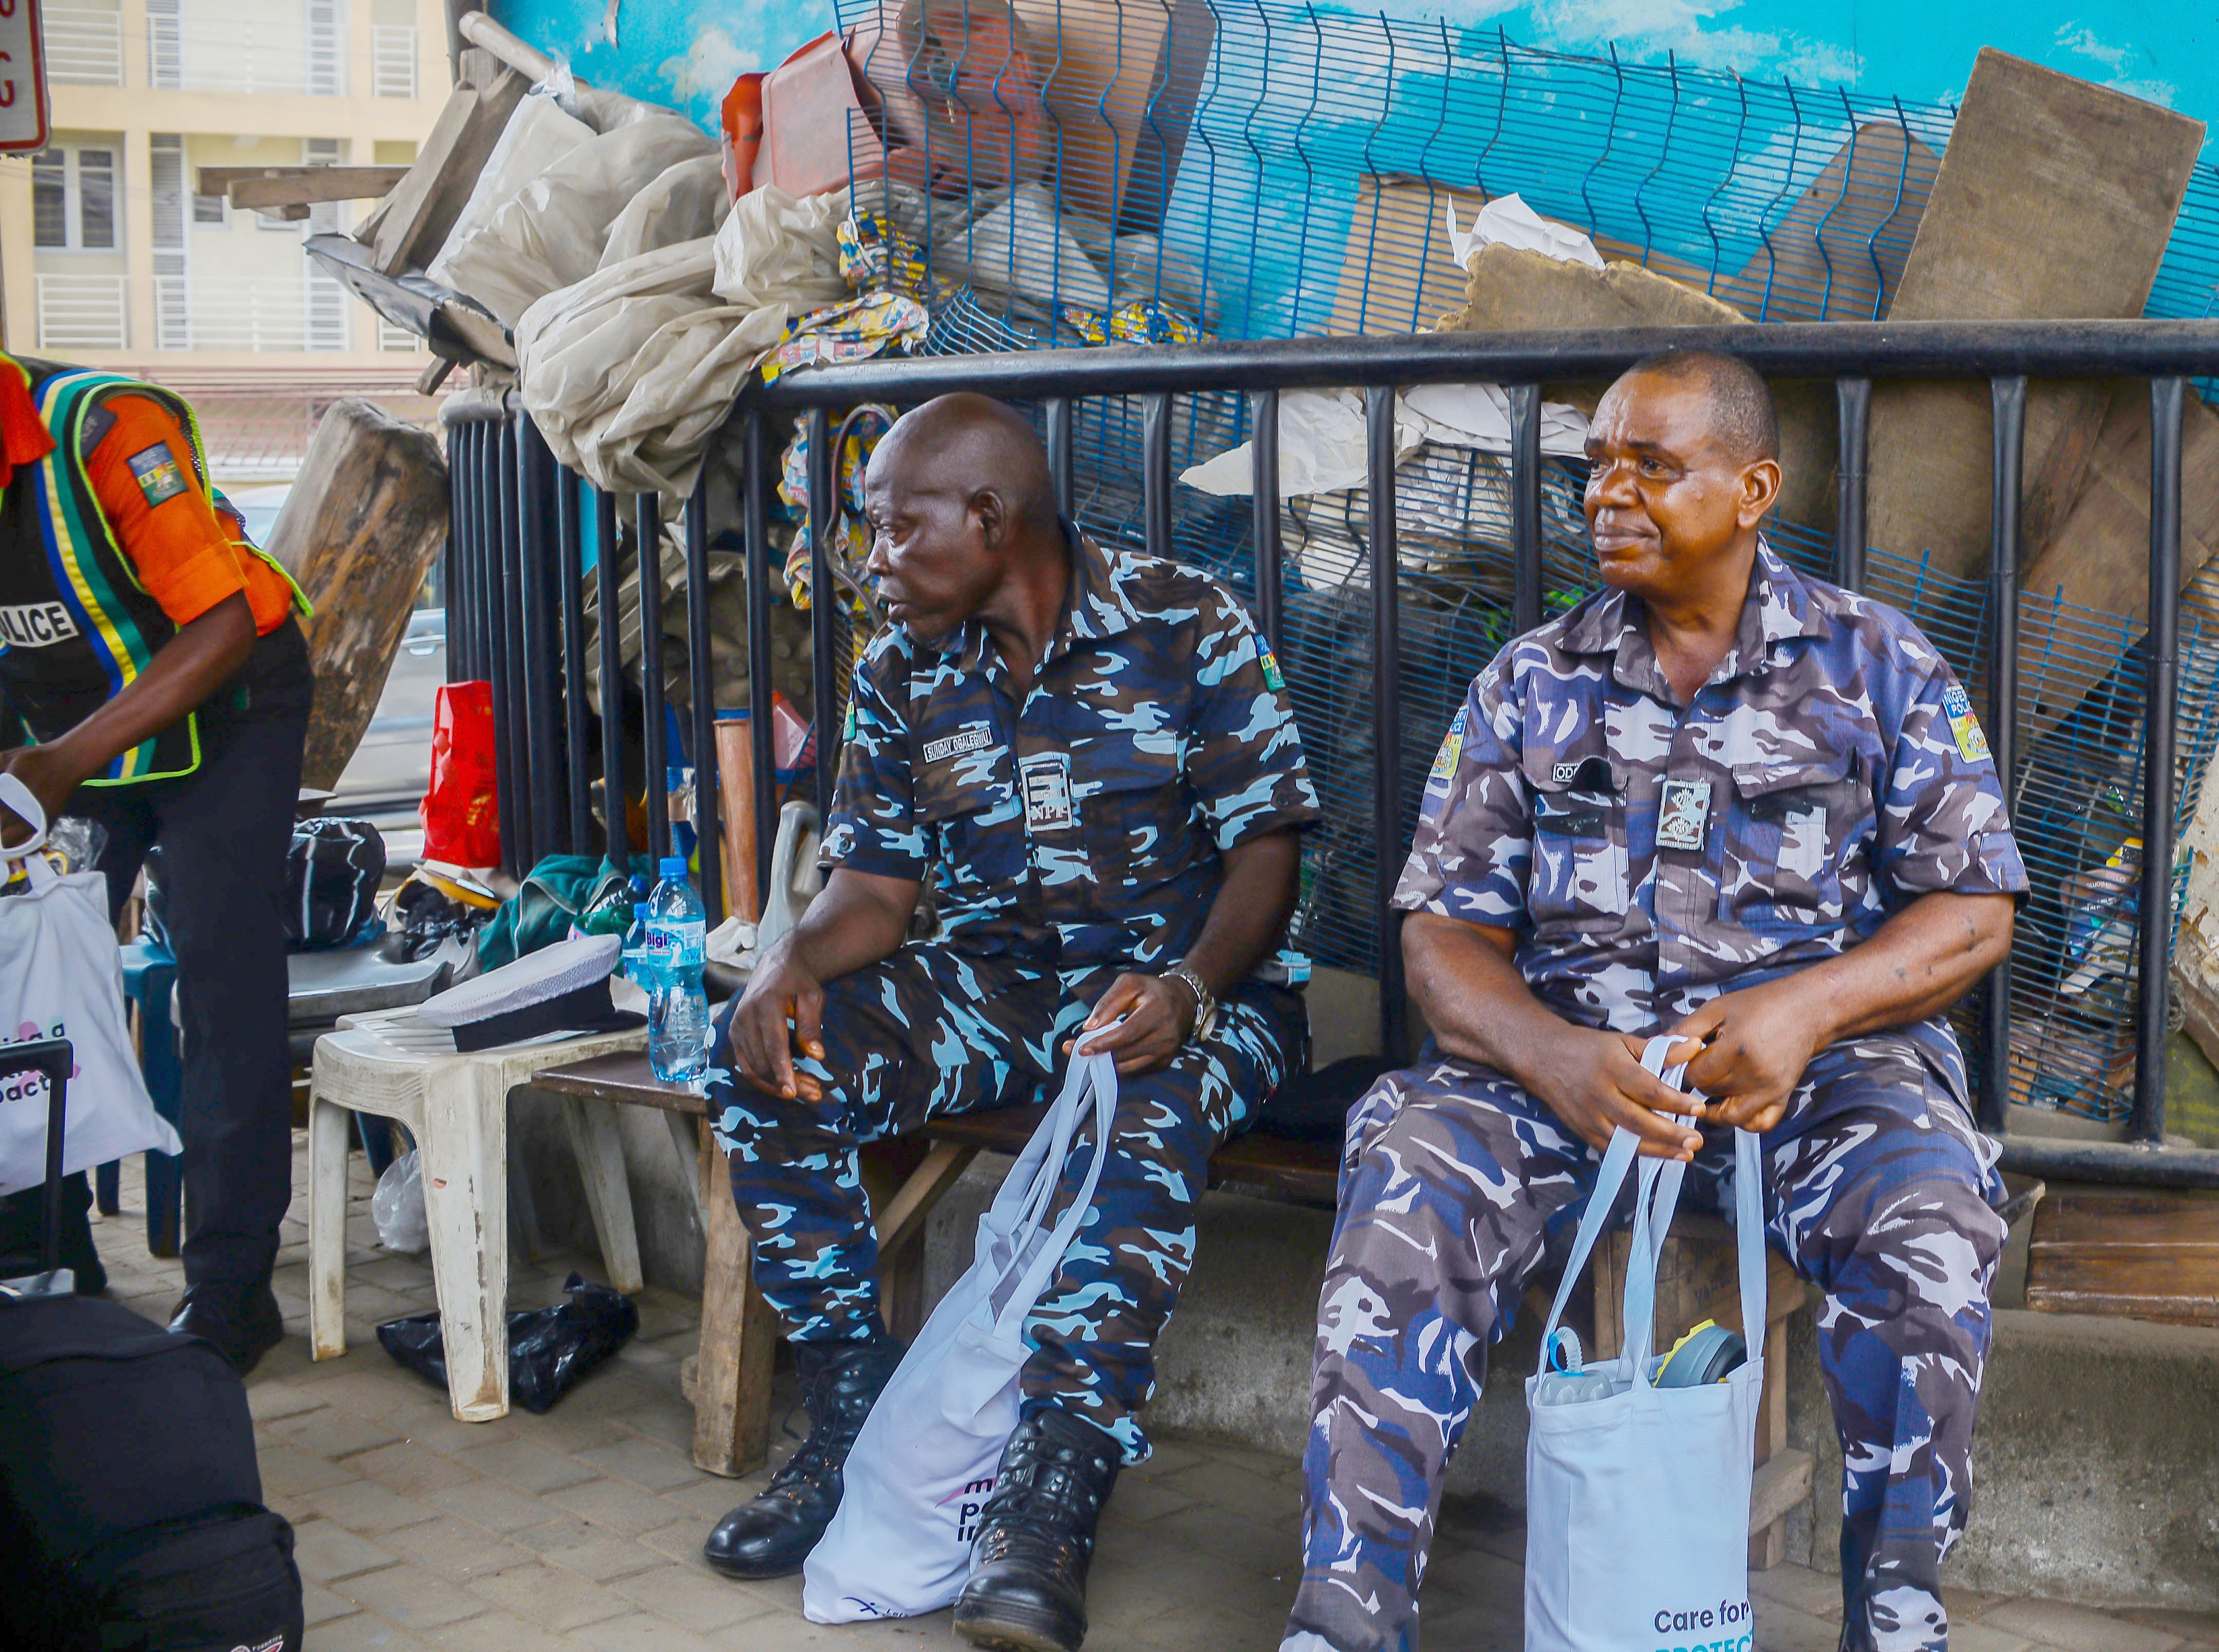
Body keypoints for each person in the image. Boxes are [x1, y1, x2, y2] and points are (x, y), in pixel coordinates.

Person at [1283, 350, 2026, 1652]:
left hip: (1820, 1076)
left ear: (1752, 490)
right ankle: (1344, 1622)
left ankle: (1897, 1619)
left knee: (1931, 1217)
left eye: (1653, 466)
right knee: (1406, 1166)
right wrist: (1558, 1059)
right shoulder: (1527, 684)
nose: (1610, 494)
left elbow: (1973, 909)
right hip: (1571, 1073)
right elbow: (1442, 939)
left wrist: (1806, 1010)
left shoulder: (1876, 663)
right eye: (1599, 468)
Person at [703, 392, 1320, 1652]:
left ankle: (1049, 1502)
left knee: (1134, 1111)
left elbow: (1271, 847)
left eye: (892, 531)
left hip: (1195, 993)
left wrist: (1192, 988)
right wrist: (784, 966)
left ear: (989, 519)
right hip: (997, 985)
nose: (872, 563)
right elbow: (873, 891)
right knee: (768, 1065)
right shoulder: (900, 668)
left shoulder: (1181, 621)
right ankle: (852, 1416)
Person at [0, 349, 311, 1374]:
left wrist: (60, 766)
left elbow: (224, 620)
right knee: (23, 976)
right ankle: (52, 1267)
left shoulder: (104, 429)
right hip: (66, 730)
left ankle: (231, 1294)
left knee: (220, 980)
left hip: (229, 710)